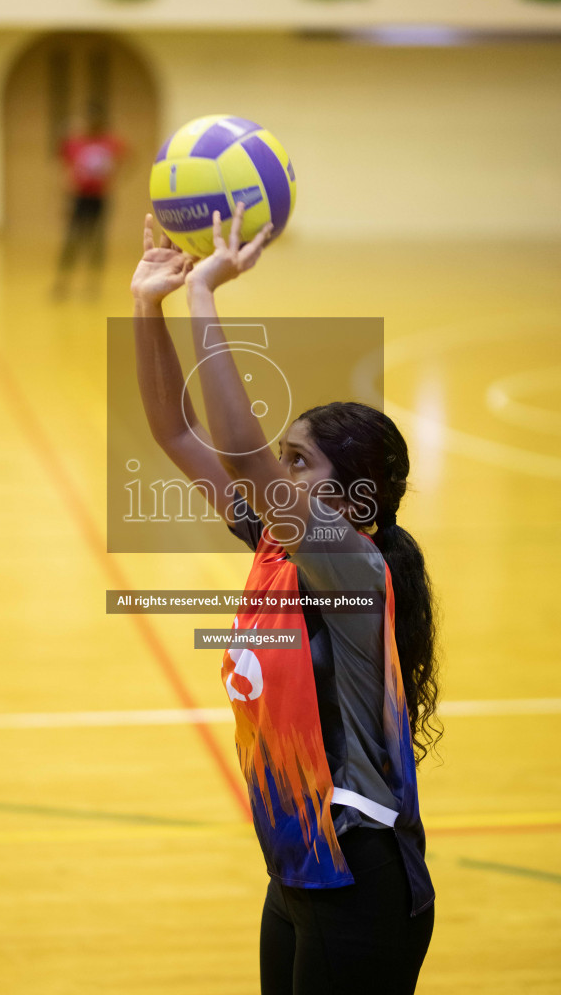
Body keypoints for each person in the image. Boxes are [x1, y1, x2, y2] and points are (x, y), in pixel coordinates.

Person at [131, 205, 442, 995]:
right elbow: (174, 431)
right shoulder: (278, 544)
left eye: (296, 462)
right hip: (300, 874)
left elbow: (234, 451)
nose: (275, 469)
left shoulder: (350, 564)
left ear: (349, 494)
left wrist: (207, 293)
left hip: (359, 874)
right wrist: (148, 304)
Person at [52, 106, 127, 300]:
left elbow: (127, 156)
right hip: (79, 197)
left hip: (100, 198)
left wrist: (114, 175)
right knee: (72, 239)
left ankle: (92, 285)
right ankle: (63, 282)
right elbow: (64, 162)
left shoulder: (110, 142)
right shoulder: (76, 142)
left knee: (97, 242)